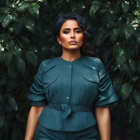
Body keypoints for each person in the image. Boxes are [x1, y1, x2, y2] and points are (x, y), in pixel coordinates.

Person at [25, 13, 119, 140]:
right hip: (47, 134)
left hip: (85, 133)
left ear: (83, 36)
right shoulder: (46, 66)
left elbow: (102, 109)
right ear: (59, 39)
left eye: (77, 31)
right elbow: (36, 107)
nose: (72, 36)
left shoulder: (96, 65)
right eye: (66, 31)